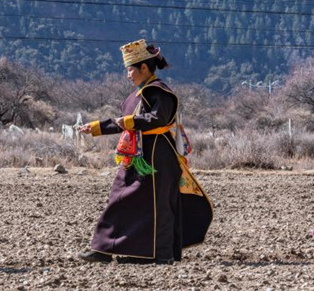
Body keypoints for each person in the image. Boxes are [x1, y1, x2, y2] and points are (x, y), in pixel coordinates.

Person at [77, 39, 213, 265]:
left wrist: (129, 122)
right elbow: (124, 123)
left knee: (158, 205)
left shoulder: (160, 92)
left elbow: (156, 119)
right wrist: (96, 128)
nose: (128, 74)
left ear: (143, 67)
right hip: (136, 156)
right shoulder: (134, 96)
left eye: (130, 69)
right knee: (119, 198)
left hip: (158, 155)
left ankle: (160, 255)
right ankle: (104, 248)